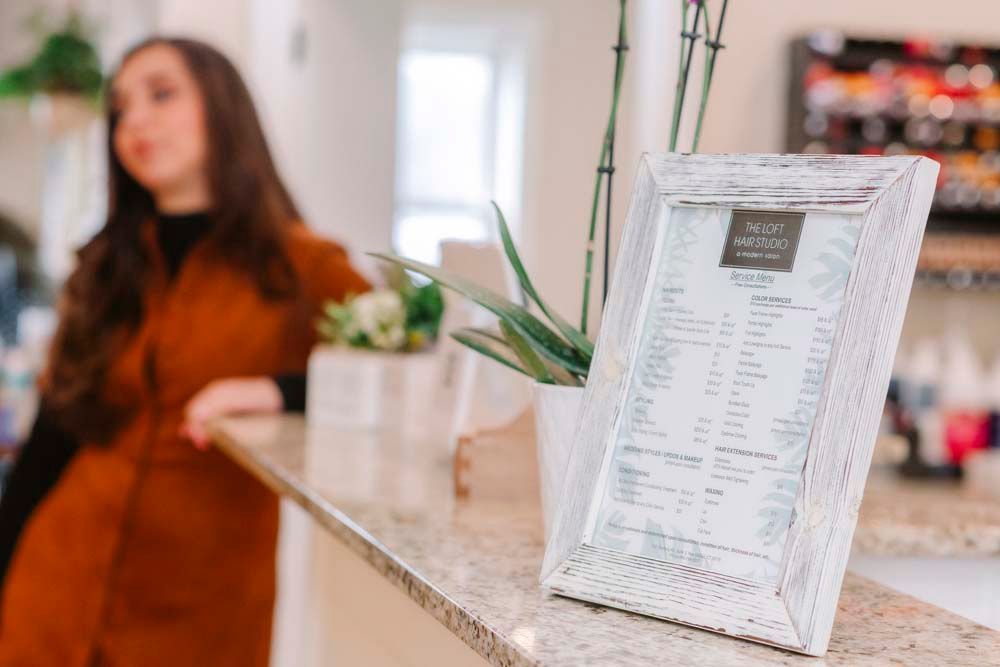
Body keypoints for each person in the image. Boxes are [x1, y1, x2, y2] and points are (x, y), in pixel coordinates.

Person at [0, 36, 370, 665]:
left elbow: (400, 376)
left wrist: (274, 391)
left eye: (162, 94)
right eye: (120, 108)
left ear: (223, 108)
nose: (134, 119)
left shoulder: (304, 265)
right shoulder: (105, 263)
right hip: (56, 585)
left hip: (201, 610)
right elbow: (55, 430)